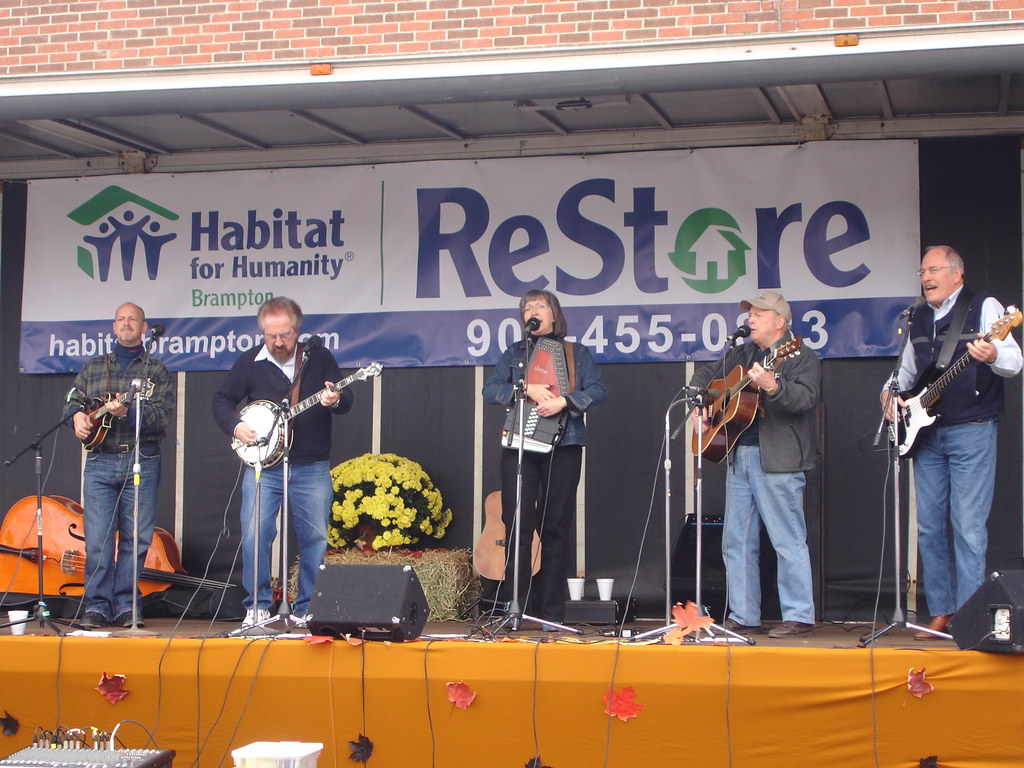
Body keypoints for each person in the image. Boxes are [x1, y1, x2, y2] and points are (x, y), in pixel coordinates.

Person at [882, 245, 1022, 639]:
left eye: (933, 270)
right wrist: (889, 396)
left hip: (971, 429)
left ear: (957, 274)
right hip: (927, 433)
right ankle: (941, 610)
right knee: (929, 527)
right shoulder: (919, 317)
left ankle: (970, 612)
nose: (925, 277)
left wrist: (993, 352)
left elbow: (1013, 362)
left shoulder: (986, 307)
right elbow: (904, 374)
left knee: (968, 525)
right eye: (922, 271)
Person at [212, 297, 353, 628]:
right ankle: (258, 606)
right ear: (262, 331)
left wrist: (335, 398)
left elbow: (345, 401)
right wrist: (235, 425)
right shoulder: (250, 362)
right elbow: (222, 399)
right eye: (271, 335)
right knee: (255, 534)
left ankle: (306, 608)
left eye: (285, 335)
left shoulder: (319, 358)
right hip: (264, 467)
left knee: (314, 538)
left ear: (297, 331)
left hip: (311, 465)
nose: (278, 342)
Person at [688, 291, 820, 638]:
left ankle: (799, 615)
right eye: (751, 313)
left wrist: (774, 386)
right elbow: (708, 373)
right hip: (739, 455)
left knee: (786, 539)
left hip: (778, 460)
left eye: (760, 314)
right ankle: (745, 615)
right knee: (736, 540)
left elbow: (806, 399)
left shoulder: (800, 355)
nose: (751, 319)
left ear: (780, 322)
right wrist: (700, 402)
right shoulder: (743, 352)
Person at [482, 289, 607, 626]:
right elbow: (490, 389)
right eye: (527, 307)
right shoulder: (513, 353)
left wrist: (565, 401)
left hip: (563, 445)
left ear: (554, 313)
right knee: (517, 526)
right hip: (520, 446)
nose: (532, 311)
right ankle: (514, 608)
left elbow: (598, 391)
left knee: (555, 527)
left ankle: (551, 612)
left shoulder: (576, 353)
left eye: (539, 305)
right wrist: (524, 389)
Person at [64, 302, 174, 629]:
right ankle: (97, 606)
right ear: (114, 327)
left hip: (141, 459)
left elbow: (162, 418)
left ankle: (127, 605)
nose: (126, 324)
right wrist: (77, 417)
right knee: (97, 539)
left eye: (133, 320)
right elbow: (71, 401)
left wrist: (131, 411)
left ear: (144, 327)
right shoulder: (94, 367)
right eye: (121, 320)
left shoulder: (156, 371)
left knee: (136, 539)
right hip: (100, 461)